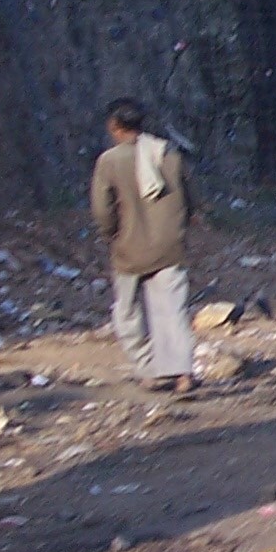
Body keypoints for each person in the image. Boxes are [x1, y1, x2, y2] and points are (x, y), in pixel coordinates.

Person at [91, 99, 196, 394]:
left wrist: (110, 234)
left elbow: (102, 209)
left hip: (129, 249)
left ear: (114, 126)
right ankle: (182, 373)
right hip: (169, 246)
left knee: (127, 313)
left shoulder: (109, 161)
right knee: (172, 310)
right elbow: (190, 199)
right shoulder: (169, 153)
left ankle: (148, 370)